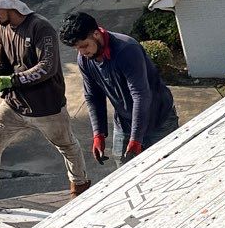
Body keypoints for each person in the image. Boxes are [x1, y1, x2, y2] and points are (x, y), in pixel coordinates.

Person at [0, 0, 88, 212]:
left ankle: (79, 189)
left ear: (11, 5)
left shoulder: (41, 27)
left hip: (47, 106)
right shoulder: (0, 28)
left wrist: (12, 80)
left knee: (68, 146)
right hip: (13, 105)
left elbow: (47, 67)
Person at [60, 11, 178, 166]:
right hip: (124, 123)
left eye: (85, 46)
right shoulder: (85, 59)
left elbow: (140, 95)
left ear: (96, 34)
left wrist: (136, 139)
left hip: (159, 120)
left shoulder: (127, 50)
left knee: (166, 167)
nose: (82, 52)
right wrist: (98, 134)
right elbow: (93, 97)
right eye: (77, 49)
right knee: (124, 169)